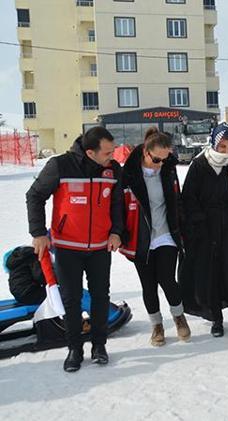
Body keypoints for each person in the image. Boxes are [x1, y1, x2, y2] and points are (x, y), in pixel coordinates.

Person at [26, 126, 124, 372]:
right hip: (68, 247)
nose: (112, 156)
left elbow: (117, 204)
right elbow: (35, 195)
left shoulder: (113, 170)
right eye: (107, 152)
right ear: (90, 152)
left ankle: (99, 346)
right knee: (72, 300)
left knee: (100, 297)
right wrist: (38, 233)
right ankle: (75, 349)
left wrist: (116, 232)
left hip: (100, 246)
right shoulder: (60, 165)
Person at [120, 127, 190, 346]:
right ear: (145, 152)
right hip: (140, 238)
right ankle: (157, 325)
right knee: (148, 285)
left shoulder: (168, 170)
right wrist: (120, 233)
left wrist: (183, 227)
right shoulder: (129, 174)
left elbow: (177, 201)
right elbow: (118, 207)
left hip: (166, 234)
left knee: (167, 279)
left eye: (165, 159)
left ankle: (179, 317)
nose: (161, 164)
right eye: (157, 159)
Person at [180, 123, 228, 337]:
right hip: (206, 228)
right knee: (211, 273)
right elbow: (189, 197)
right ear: (214, 144)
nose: (226, 151)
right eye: (222, 146)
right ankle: (216, 318)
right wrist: (199, 221)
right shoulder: (200, 165)